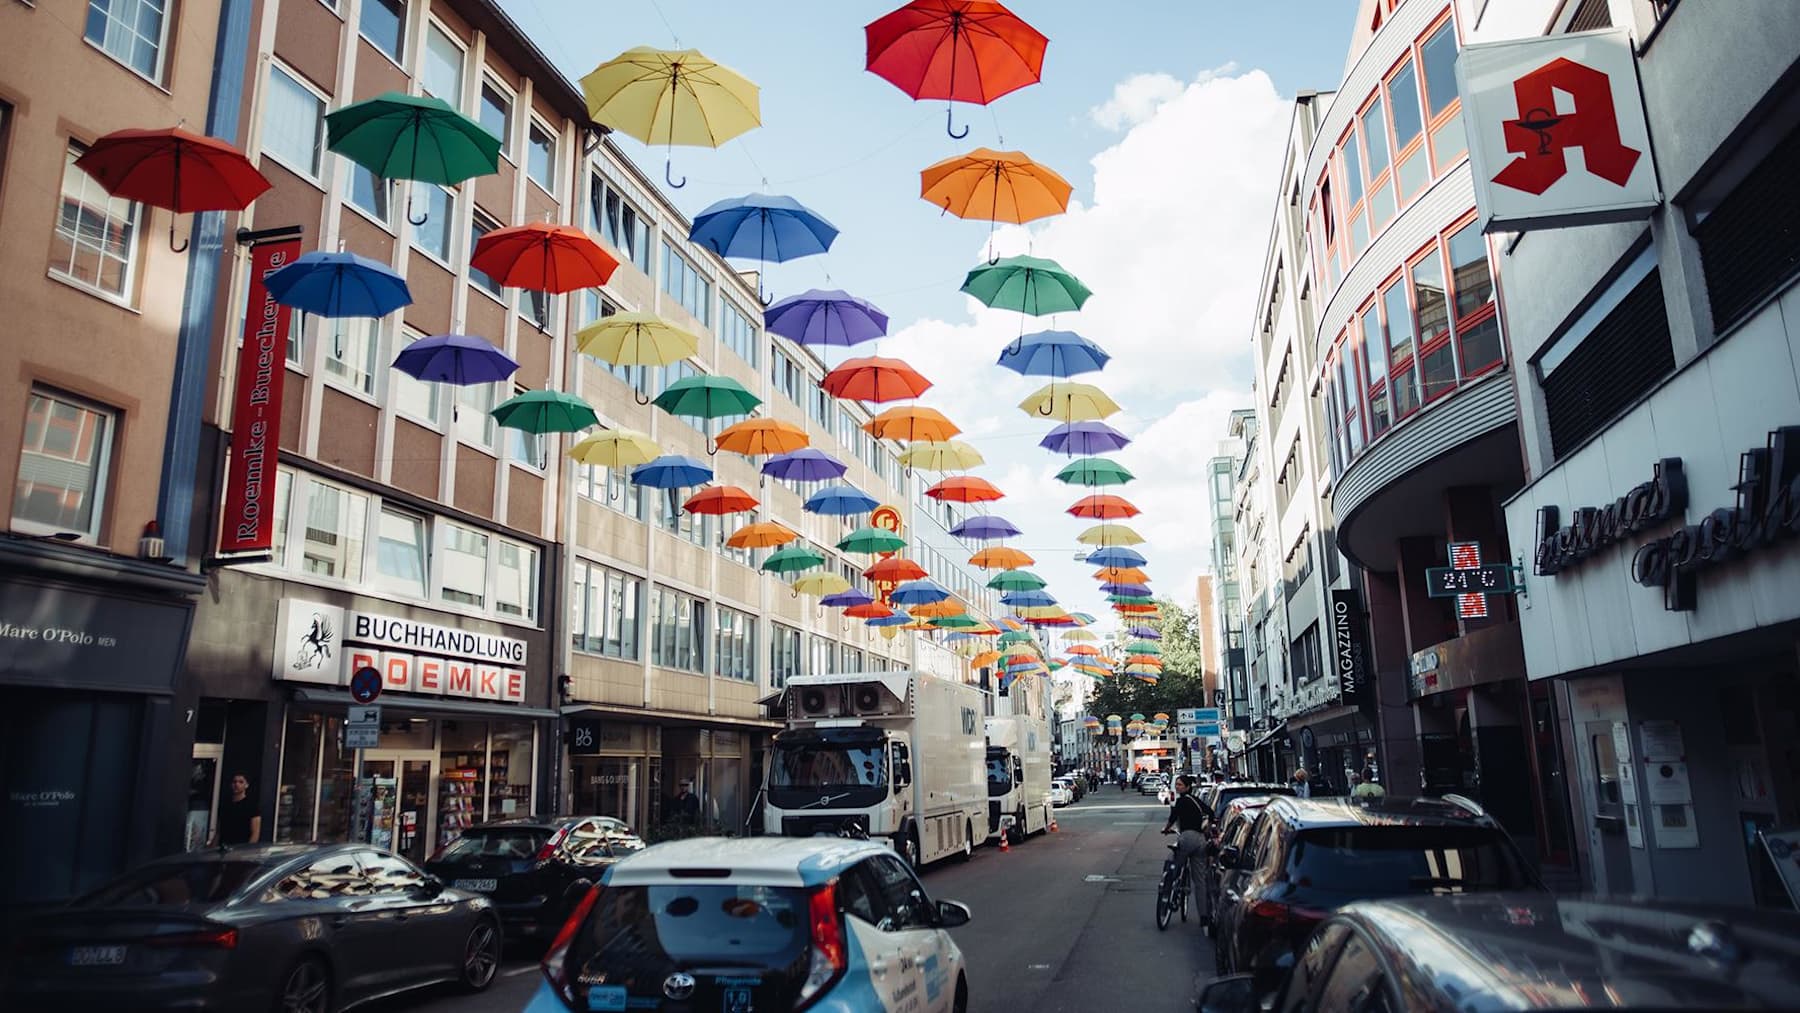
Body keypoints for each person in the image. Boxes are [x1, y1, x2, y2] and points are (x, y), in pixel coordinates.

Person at [1160, 775, 1209, 901]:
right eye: (1176, 784)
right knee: (1200, 881)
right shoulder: (1196, 800)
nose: (1177, 787)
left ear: (1187, 787)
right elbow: (1210, 812)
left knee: (1172, 863)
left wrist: (1166, 829)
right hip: (1200, 840)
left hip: (1187, 838)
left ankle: (1166, 893)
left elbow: (1173, 817)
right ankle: (1204, 916)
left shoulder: (1181, 801)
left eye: (1180, 784)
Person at [213, 773, 261, 846]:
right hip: (224, 846)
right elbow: (219, 831)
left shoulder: (251, 805)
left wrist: (247, 850)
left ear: (246, 785)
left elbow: (255, 833)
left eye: (241, 782)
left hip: (241, 848)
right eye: (234, 782)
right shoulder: (225, 804)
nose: (237, 784)